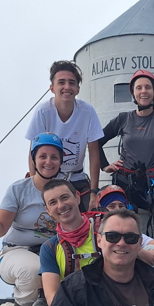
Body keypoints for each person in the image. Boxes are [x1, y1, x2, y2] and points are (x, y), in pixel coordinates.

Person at [99, 69, 154, 270]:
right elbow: (97, 139)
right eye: (138, 87)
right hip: (125, 185)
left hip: (152, 186)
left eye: (148, 87)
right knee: (119, 227)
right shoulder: (123, 119)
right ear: (133, 93)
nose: (143, 91)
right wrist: (106, 165)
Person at [0, 133, 63, 306]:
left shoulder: (64, 190)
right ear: (33, 159)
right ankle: (24, 301)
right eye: (42, 156)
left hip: (53, 250)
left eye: (54, 157)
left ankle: (49, 298)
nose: (48, 161)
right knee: (33, 270)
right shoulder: (18, 189)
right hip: (17, 250)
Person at [24, 60, 104, 212]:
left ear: (78, 89)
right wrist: (37, 189)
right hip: (49, 179)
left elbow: (94, 153)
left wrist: (94, 193)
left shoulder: (87, 111)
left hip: (77, 178)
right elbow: (33, 154)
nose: (67, 87)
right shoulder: (43, 111)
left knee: (92, 217)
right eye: (61, 82)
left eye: (72, 83)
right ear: (52, 88)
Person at [38, 179, 105, 306]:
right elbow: (52, 297)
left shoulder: (106, 229)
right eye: (53, 202)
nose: (61, 205)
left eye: (64, 197)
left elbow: (152, 247)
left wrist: (140, 252)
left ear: (77, 198)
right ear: (48, 211)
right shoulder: (49, 248)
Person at [97, 185, 154, 266]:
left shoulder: (130, 231)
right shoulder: (90, 229)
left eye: (121, 206)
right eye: (111, 206)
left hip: (129, 275)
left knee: (151, 247)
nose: (117, 209)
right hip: (97, 275)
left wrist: (147, 254)